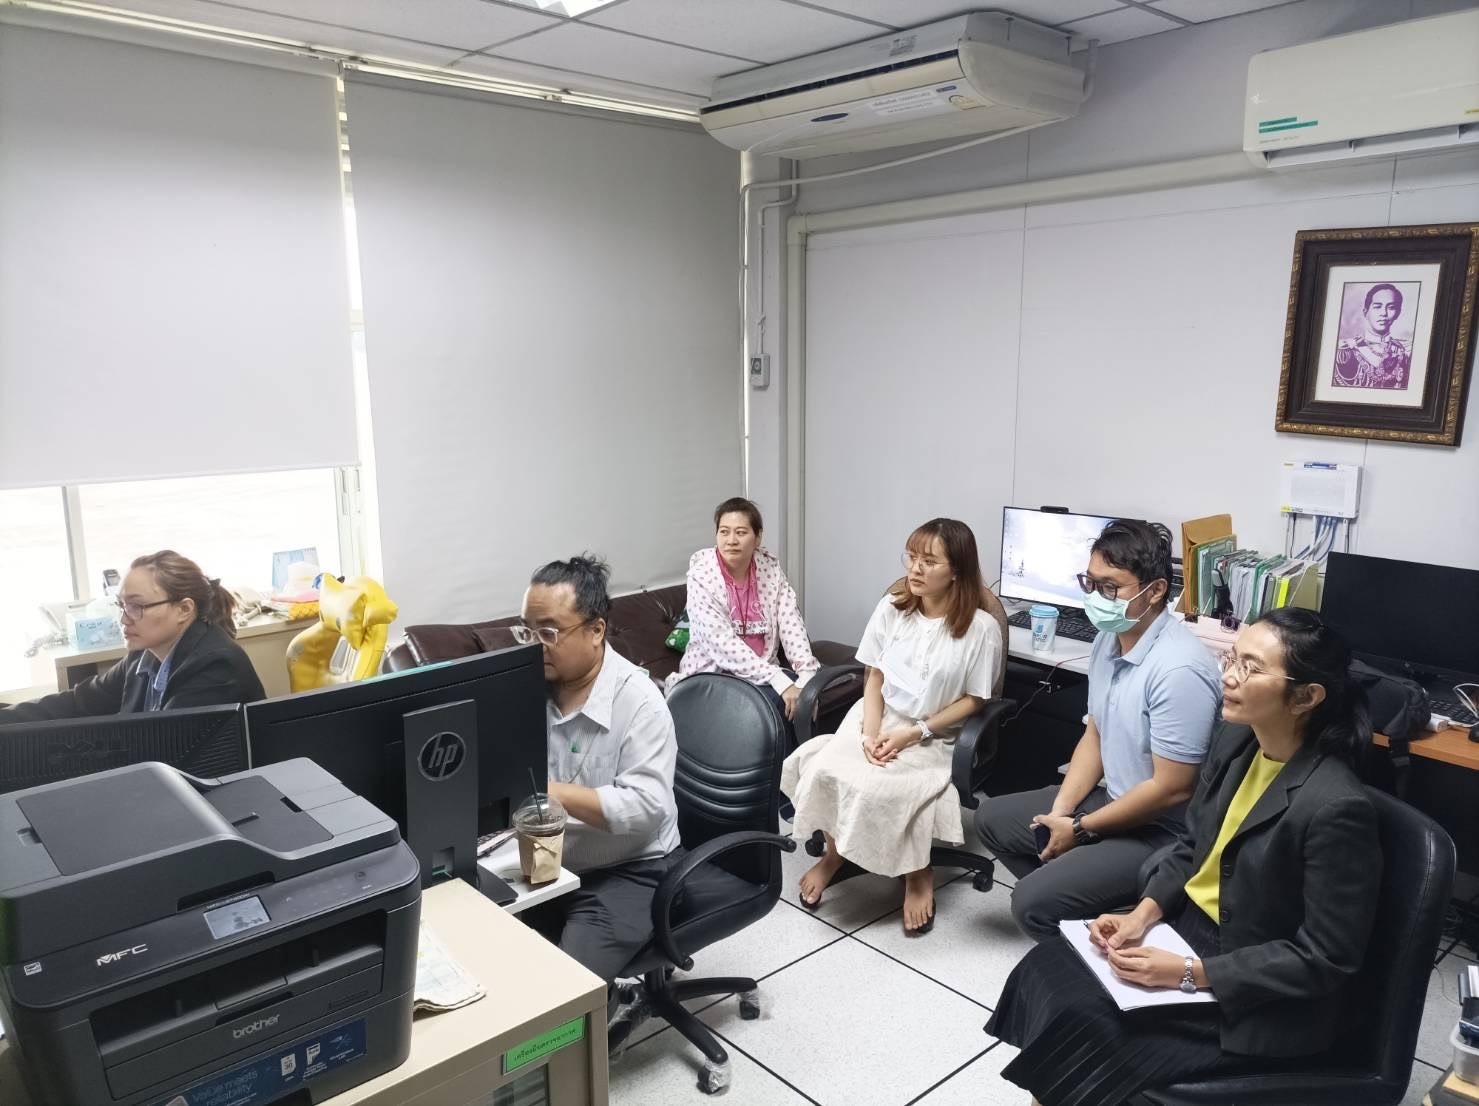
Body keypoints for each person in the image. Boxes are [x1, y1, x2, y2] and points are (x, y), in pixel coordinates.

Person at [986, 608, 1381, 1106]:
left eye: (1252, 668)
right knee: (1049, 969)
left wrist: (1190, 973)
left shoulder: (1336, 806)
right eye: (1233, 659)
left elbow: (1326, 958)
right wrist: (1142, 915)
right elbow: (1194, 845)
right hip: (1192, 928)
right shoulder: (1238, 742)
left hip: (1256, 987)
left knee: (1090, 1022)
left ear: (1305, 697)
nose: (1229, 677)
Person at [974, 519, 1220, 942]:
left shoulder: (1180, 670)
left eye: (1110, 587)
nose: (1095, 597)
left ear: (1156, 591)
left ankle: (1106, 921)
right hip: (1113, 798)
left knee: (1030, 904)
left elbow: (1172, 789)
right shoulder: (1110, 638)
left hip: (1162, 829)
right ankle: (1086, 909)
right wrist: (1061, 814)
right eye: (1090, 583)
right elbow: (1096, 734)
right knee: (992, 819)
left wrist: (1082, 829)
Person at [781, 518, 1000, 934]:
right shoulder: (892, 608)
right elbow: (874, 676)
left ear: (956, 570)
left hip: (934, 733)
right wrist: (869, 732)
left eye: (929, 561)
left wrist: (915, 733)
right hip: (876, 716)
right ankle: (835, 854)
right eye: (912, 557)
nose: (915, 568)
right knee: (824, 768)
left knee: (882, 788)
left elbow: (975, 700)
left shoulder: (980, 629)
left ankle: (917, 872)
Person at [514, 554, 683, 984]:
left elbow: (647, 807)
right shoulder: (529, 689)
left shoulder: (640, 703)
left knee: (565, 990)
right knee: (498, 958)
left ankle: (599, 1012)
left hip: (632, 867)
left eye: (548, 632)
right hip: (553, 857)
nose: (534, 644)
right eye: (526, 631)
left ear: (596, 631)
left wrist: (555, 793)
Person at [0, 550, 264, 721]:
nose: (124, 618)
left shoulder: (216, 665)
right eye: (122, 605)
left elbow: (167, 747)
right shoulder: (142, 657)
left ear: (184, 609)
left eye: (137, 606)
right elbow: (80, 702)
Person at [667, 497, 819, 722]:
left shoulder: (770, 569)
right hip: (711, 677)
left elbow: (791, 622)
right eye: (724, 532)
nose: (731, 540)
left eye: (741, 532)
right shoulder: (701, 576)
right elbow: (721, 643)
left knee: (807, 700)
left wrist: (806, 675)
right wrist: (778, 680)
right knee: (777, 709)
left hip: (761, 673)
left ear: (757, 538)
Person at [1334, 282, 1411, 389]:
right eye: (1377, 307)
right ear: (1365, 312)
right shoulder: (1343, 352)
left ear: (1397, 313)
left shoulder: (1405, 353)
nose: (1383, 313)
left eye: (1391, 307)